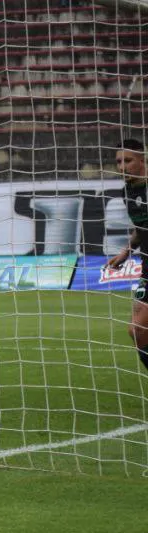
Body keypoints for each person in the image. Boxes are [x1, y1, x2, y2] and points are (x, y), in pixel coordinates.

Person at [109, 138, 148, 376]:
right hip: (147, 264)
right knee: (137, 331)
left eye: (128, 160)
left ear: (143, 160)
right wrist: (126, 250)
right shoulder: (128, 192)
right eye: (118, 162)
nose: (122, 166)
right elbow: (141, 227)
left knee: (139, 328)